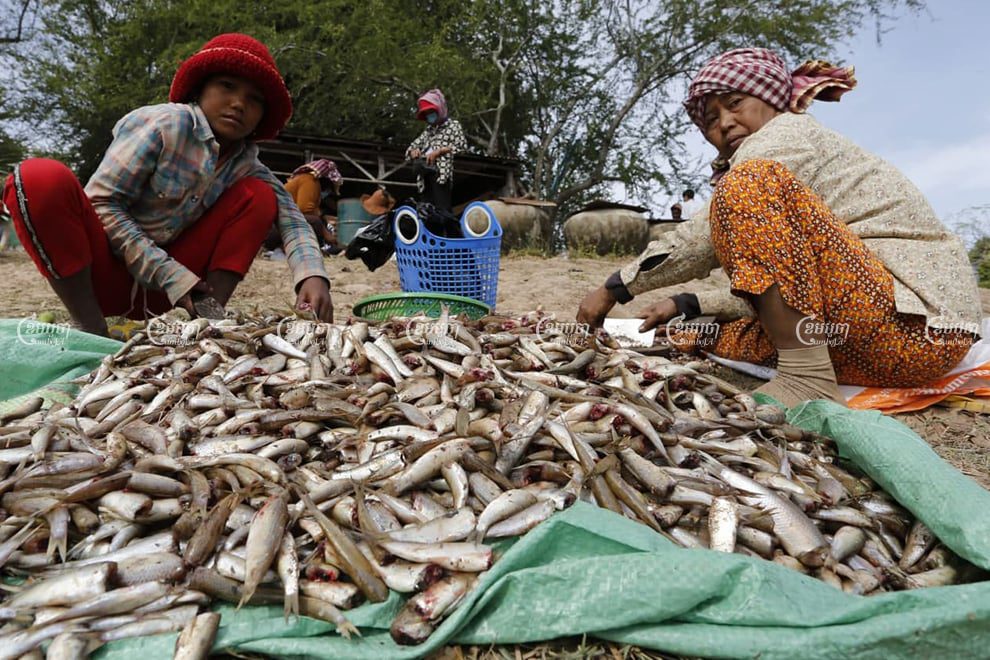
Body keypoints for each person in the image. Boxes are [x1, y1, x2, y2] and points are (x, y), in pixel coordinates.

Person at [577, 47, 981, 408]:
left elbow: (700, 238)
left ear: (770, 98)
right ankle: (801, 364)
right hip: (866, 342)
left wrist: (616, 287)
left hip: (913, 327)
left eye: (736, 103)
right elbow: (788, 283)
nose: (725, 123)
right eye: (712, 120)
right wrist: (690, 303)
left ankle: (806, 376)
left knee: (749, 184)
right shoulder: (764, 165)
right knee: (699, 333)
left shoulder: (788, 134)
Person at [2, 34, 334, 335]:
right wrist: (172, 275)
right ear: (199, 90)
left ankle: (207, 319)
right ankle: (90, 327)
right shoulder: (164, 126)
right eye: (227, 86)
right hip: (104, 282)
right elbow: (103, 204)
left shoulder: (247, 164)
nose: (239, 104)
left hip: (180, 296)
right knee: (38, 178)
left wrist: (312, 275)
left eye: (254, 99)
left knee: (260, 196)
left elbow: (293, 220)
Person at [405, 89, 467, 211]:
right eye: (427, 113)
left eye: (431, 111)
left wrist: (440, 151)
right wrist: (413, 152)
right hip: (424, 176)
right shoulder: (427, 132)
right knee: (426, 211)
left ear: (440, 109)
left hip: (441, 174)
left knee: (442, 210)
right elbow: (410, 149)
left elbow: (462, 147)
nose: (429, 115)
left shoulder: (453, 126)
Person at [266, 158, 342, 254]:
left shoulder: (307, 182)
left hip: (277, 227)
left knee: (319, 221)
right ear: (326, 180)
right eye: (330, 188)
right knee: (315, 222)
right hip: (271, 229)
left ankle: (287, 249)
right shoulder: (309, 180)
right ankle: (313, 249)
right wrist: (327, 235)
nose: (329, 191)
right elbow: (304, 210)